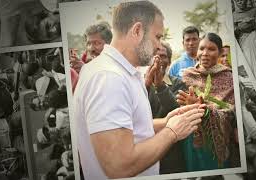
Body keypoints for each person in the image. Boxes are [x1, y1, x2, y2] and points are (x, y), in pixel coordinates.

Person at [73, 1, 204, 179]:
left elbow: (127, 127)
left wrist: (165, 121)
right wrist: (172, 132)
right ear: (137, 31)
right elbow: (118, 165)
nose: (159, 46)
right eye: (157, 37)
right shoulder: (108, 78)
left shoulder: (121, 72)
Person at [176, 33, 238, 171]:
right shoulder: (187, 75)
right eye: (202, 48)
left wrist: (202, 109)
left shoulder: (229, 77)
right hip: (190, 138)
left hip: (216, 142)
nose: (205, 53)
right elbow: (178, 106)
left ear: (221, 52)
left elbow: (231, 113)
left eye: (211, 49)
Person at [145, 42, 187, 174]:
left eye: (162, 56)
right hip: (144, 151)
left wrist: (160, 85)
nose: (158, 60)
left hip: (171, 152)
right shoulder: (139, 84)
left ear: (169, 61)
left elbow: (177, 112)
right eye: (154, 56)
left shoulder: (179, 83)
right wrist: (146, 84)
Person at [70, 22, 113, 92]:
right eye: (88, 44)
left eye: (96, 43)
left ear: (109, 44)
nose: (91, 49)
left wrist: (85, 70)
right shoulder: (88, 62)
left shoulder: (115, 65)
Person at [233, 0, 256, 90]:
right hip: (243, 40)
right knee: (248, 63)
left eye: (243, 0)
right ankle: (253, 89)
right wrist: (239, 28)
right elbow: (234, 33)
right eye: (238, 1)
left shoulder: (254, 11)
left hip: (255, 38)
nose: (241, 2)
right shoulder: (233, 15)